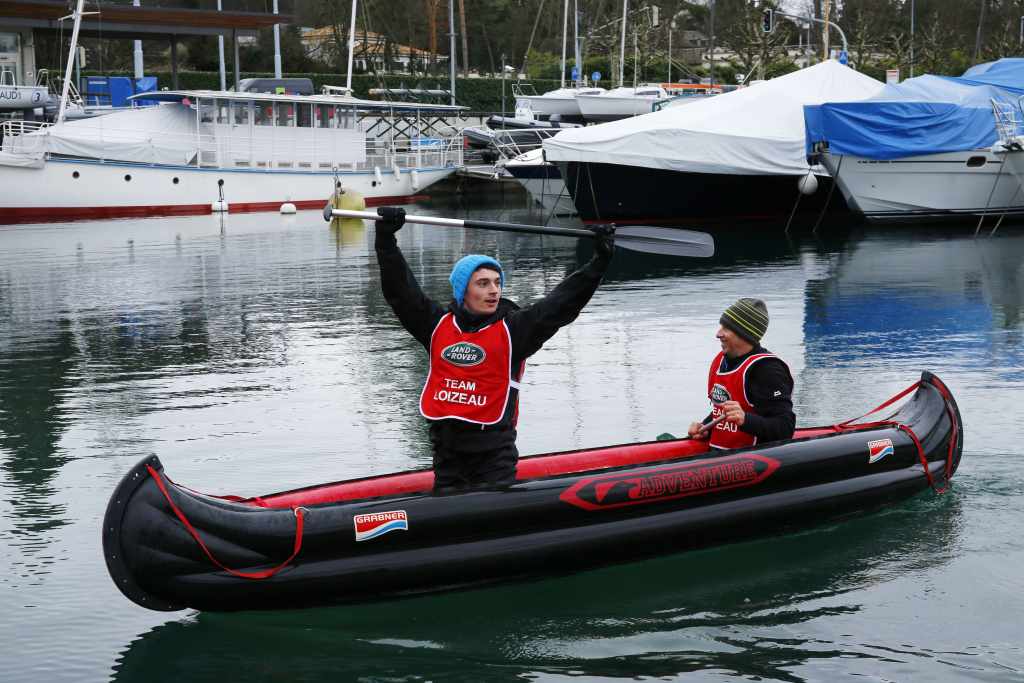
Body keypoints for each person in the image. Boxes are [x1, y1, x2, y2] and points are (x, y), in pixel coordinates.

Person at [374, 207, 614, 491]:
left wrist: (598, 263)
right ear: (463, 292)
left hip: (493, 460)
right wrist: (386, 240)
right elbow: (401, 292)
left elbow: (561, 304)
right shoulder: (436, 325)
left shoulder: (515, 330)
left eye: (498, 283)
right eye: (483, 283)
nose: (494, 291)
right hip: (447, 457)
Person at [688, 298, 795, 448]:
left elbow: (785, 428)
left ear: (744, 334)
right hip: (720, 456)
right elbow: (723, 413)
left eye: (726, 328)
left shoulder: (768, 370)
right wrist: (705, 427)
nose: (718, 334)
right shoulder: (721, 361)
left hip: (753, 458)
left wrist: (746, 420)